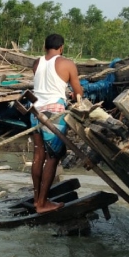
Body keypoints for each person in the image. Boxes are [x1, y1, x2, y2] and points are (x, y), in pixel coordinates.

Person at [30, 34, 83, 214]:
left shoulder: (36, 63)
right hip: (54, 113)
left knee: (38, 156)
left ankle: (37, 199)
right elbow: (78, 91)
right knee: (53, 157)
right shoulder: (67, 63)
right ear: (61, 47)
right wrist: (75, 96)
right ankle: (43, 204)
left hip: (35, 111)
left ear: (45, 47)